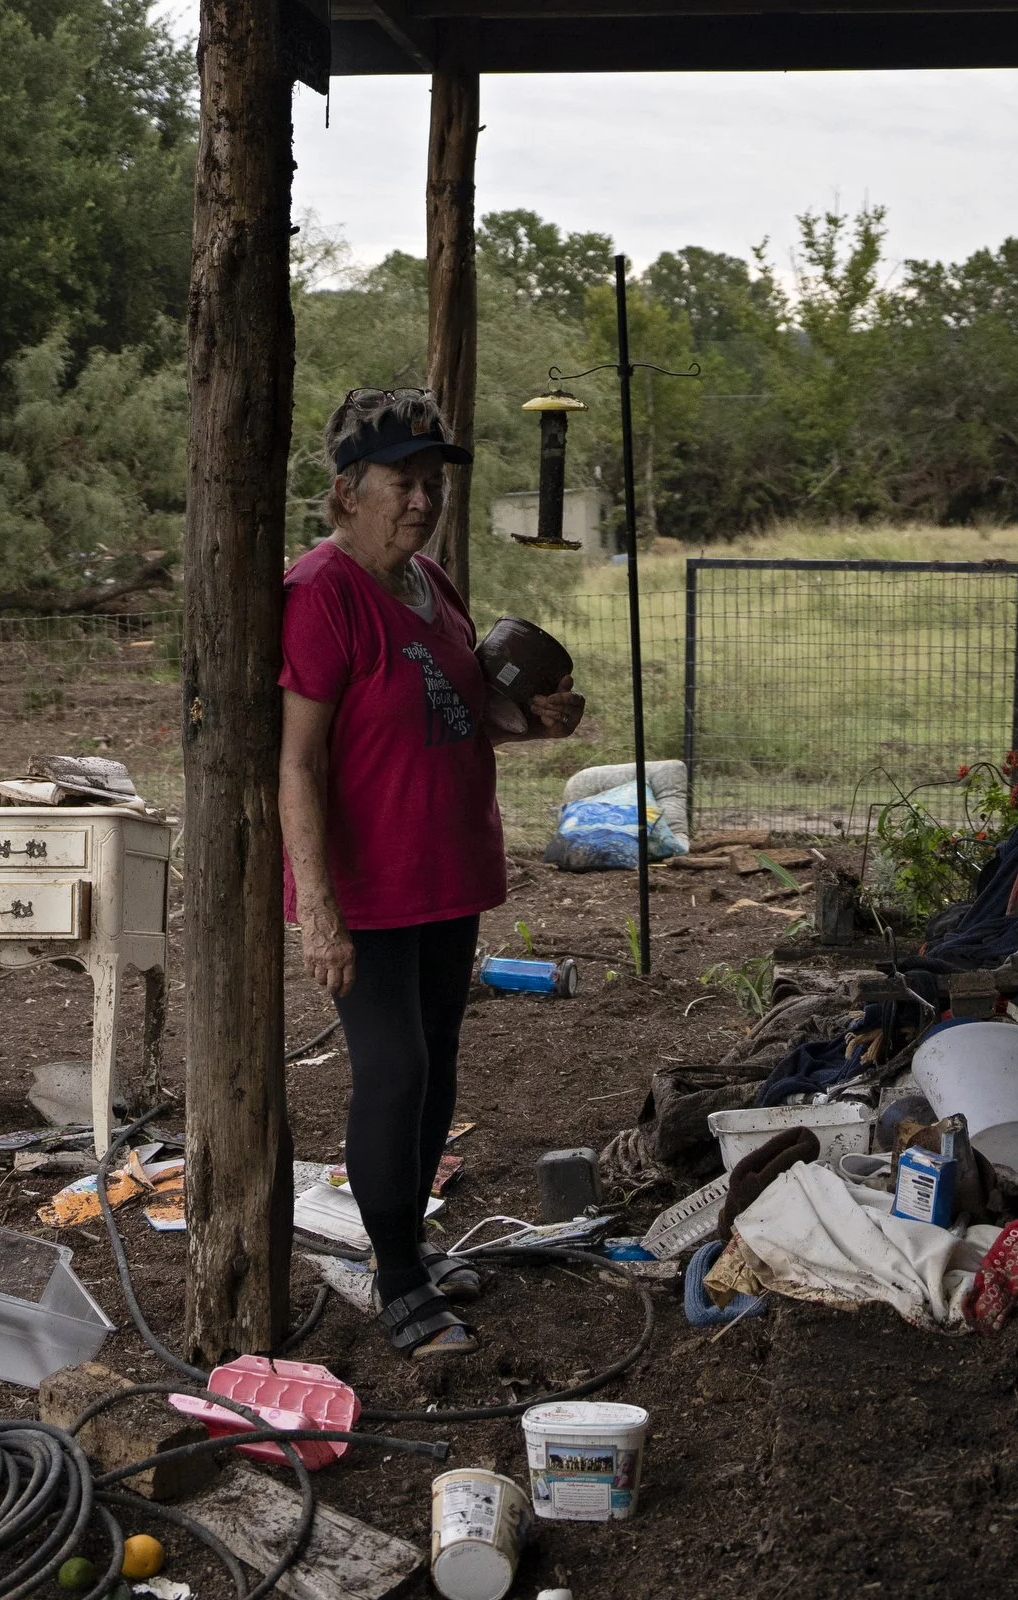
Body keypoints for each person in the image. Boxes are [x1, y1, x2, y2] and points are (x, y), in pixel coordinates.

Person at [279, 388, 584, 1359]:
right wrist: (318, 910)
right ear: (346, 492)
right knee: (395, 1070)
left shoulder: (430, 583)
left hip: (445, 869)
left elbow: (458, 715)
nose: (422, 499)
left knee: (437, 1065)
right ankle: (401, 1284)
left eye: (432, 482)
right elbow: (297, 762)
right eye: (401, 481)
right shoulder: (321, 593)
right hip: (368, 886)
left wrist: (531, 724)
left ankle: (407, 1248)